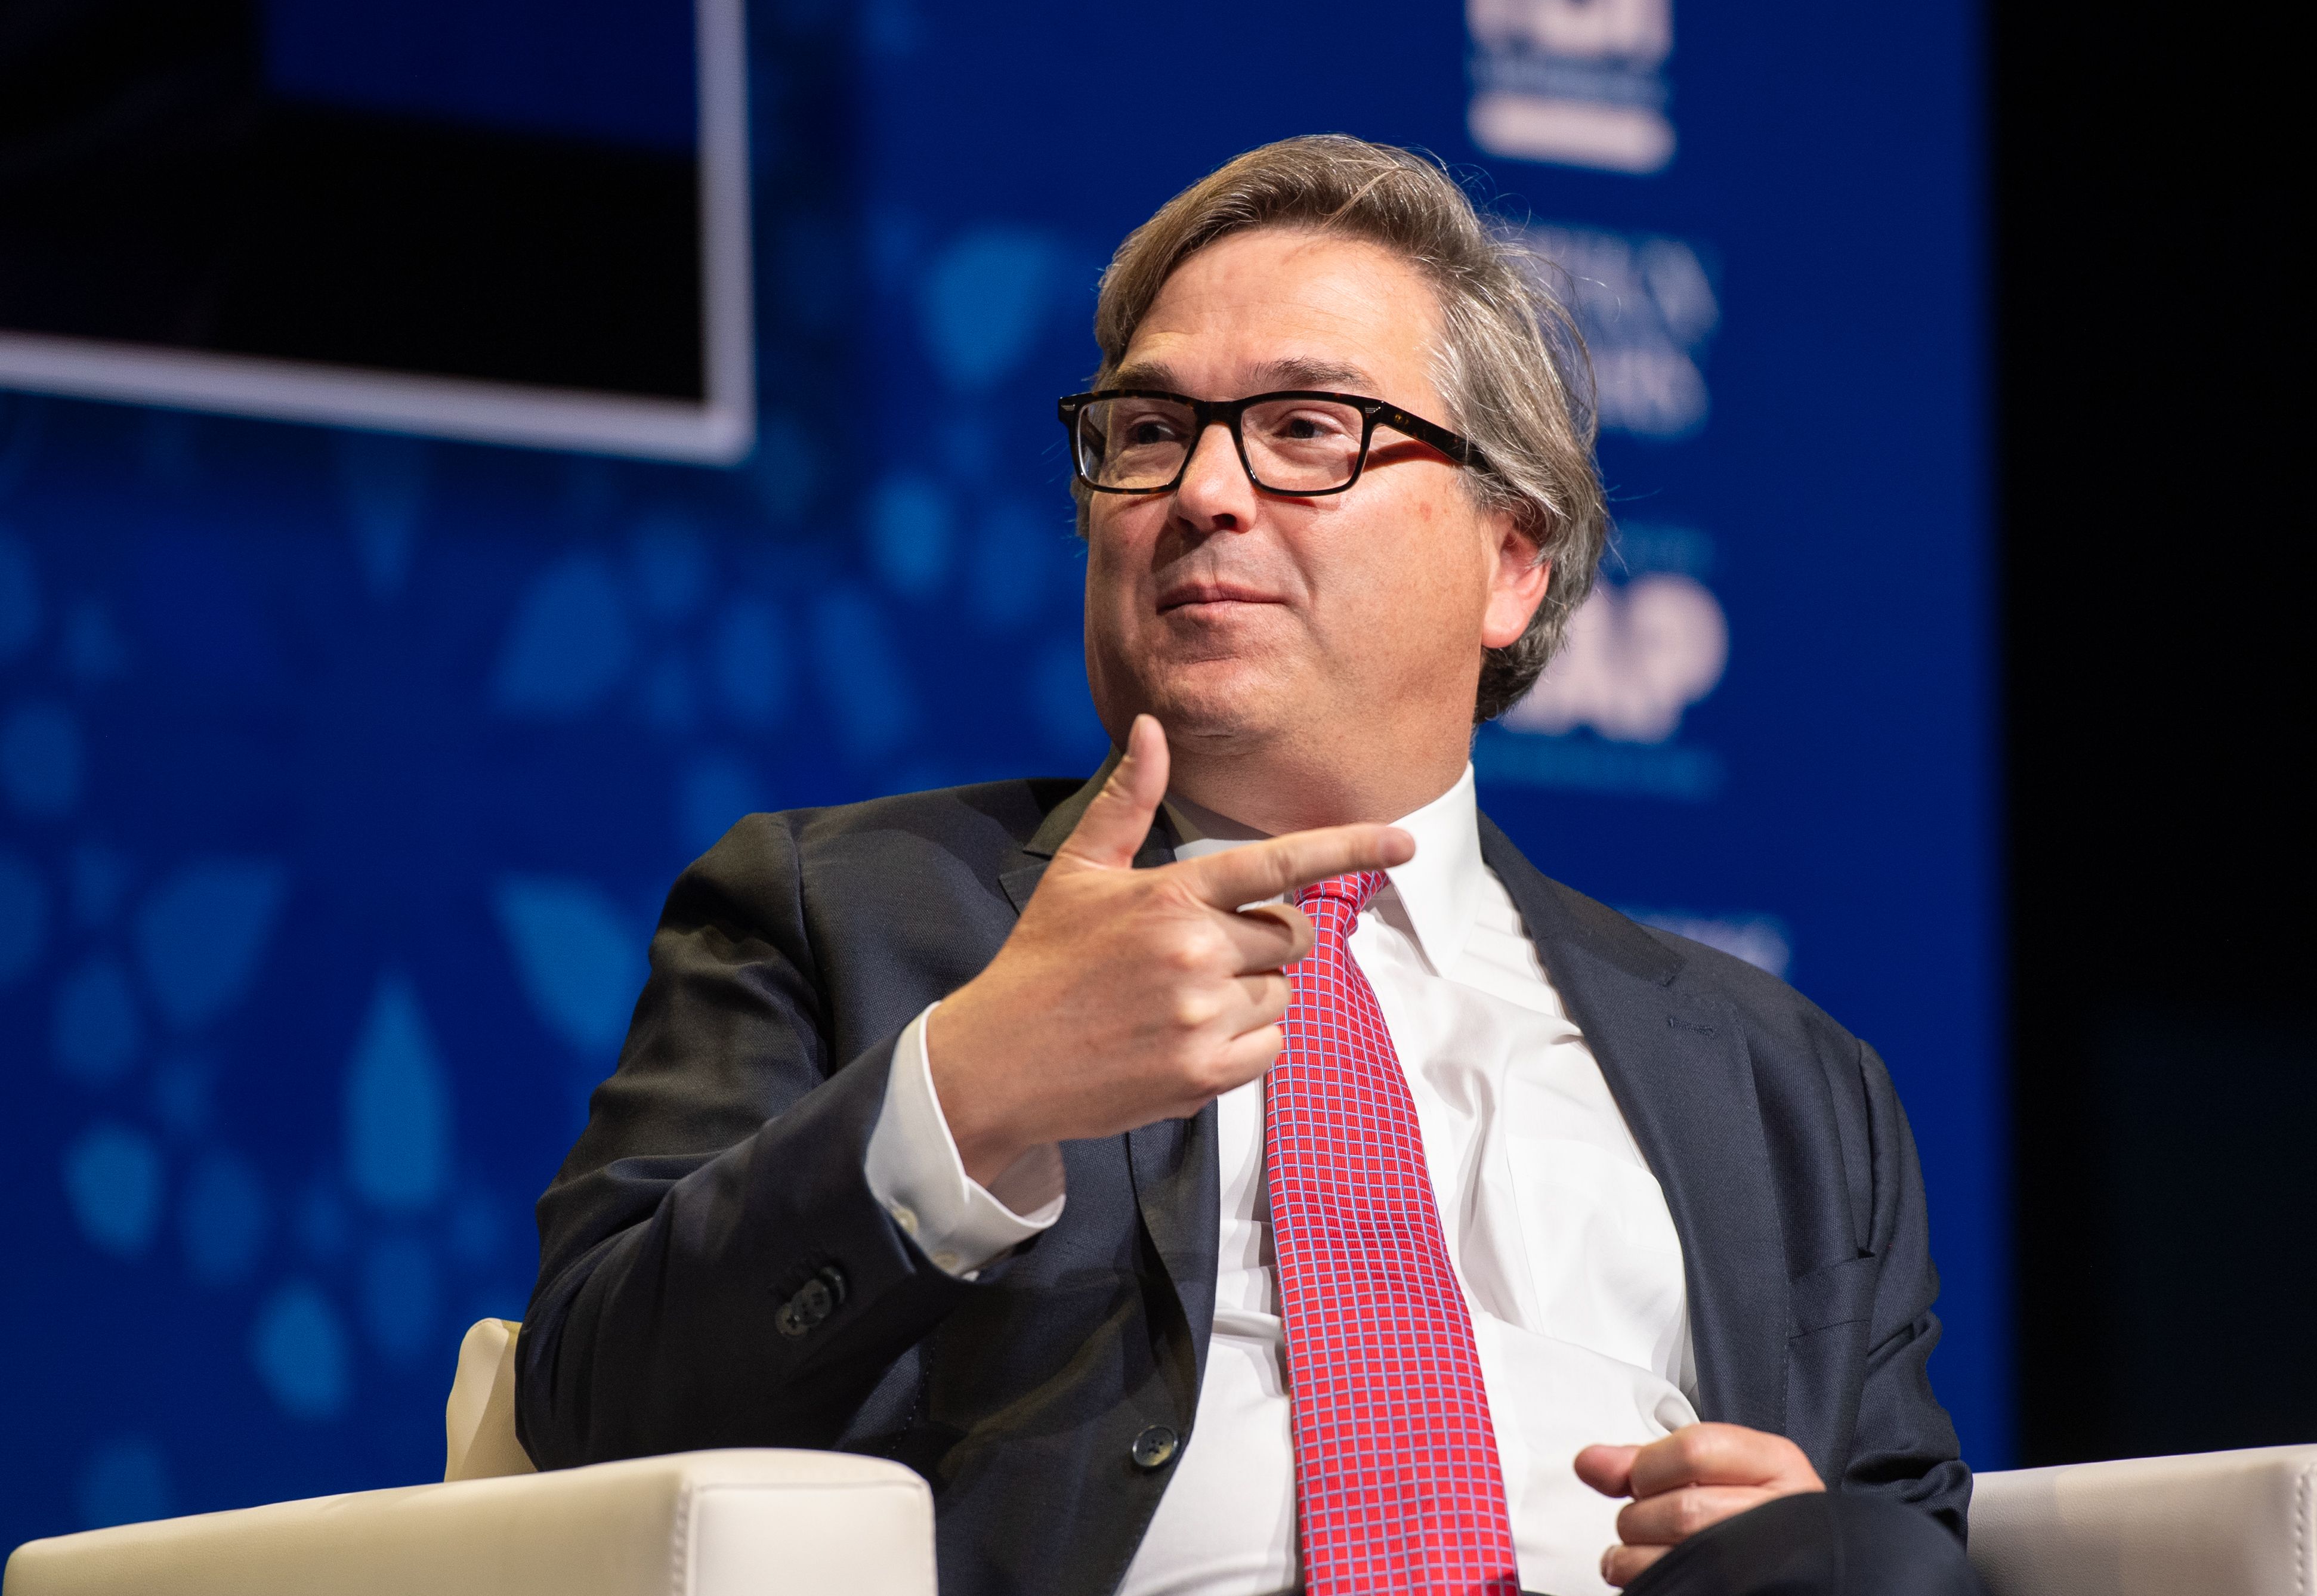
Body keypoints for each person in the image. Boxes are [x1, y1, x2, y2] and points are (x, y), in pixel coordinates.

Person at [517, 135, 1981, 1596]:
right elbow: (593, 1405)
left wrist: (1800, 1532)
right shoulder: (840, 913)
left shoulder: (1781, 1079)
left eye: (1304, 428)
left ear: (1510, 560)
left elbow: (1913, 1525)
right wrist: (970, 1093)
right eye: (1147, 432)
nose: (1204, 491)